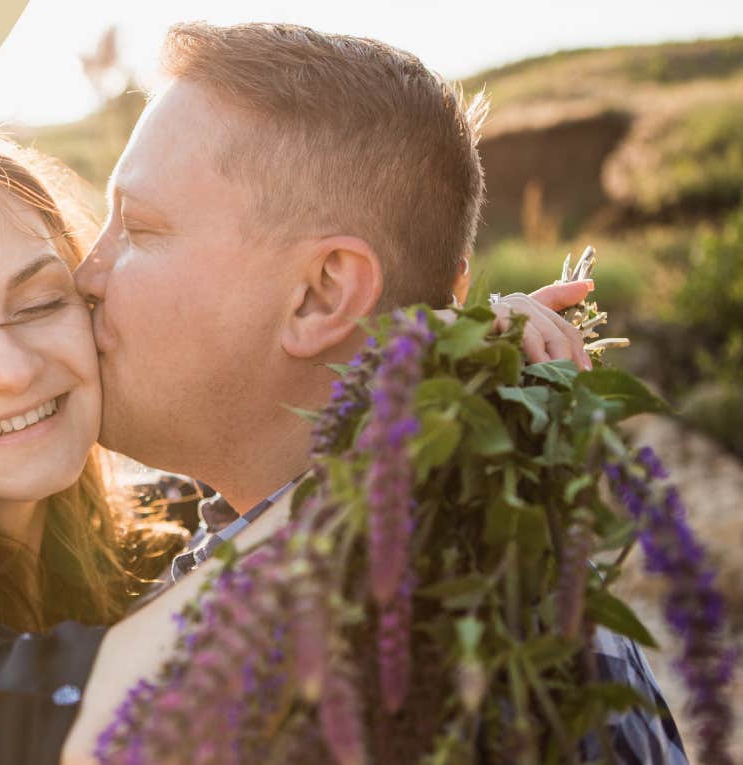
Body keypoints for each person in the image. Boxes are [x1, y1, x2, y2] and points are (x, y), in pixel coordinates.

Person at [0, 118, 589, 763]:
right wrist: (402, 445)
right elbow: (77, 733)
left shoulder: (157, 529)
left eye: (41, 302)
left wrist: (461, 362)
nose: (8, 368)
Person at [60, 21, 683, 765]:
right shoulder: (205, 544)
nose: (83, 276)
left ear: (321, 295)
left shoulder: (475, 677)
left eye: (136, 227)